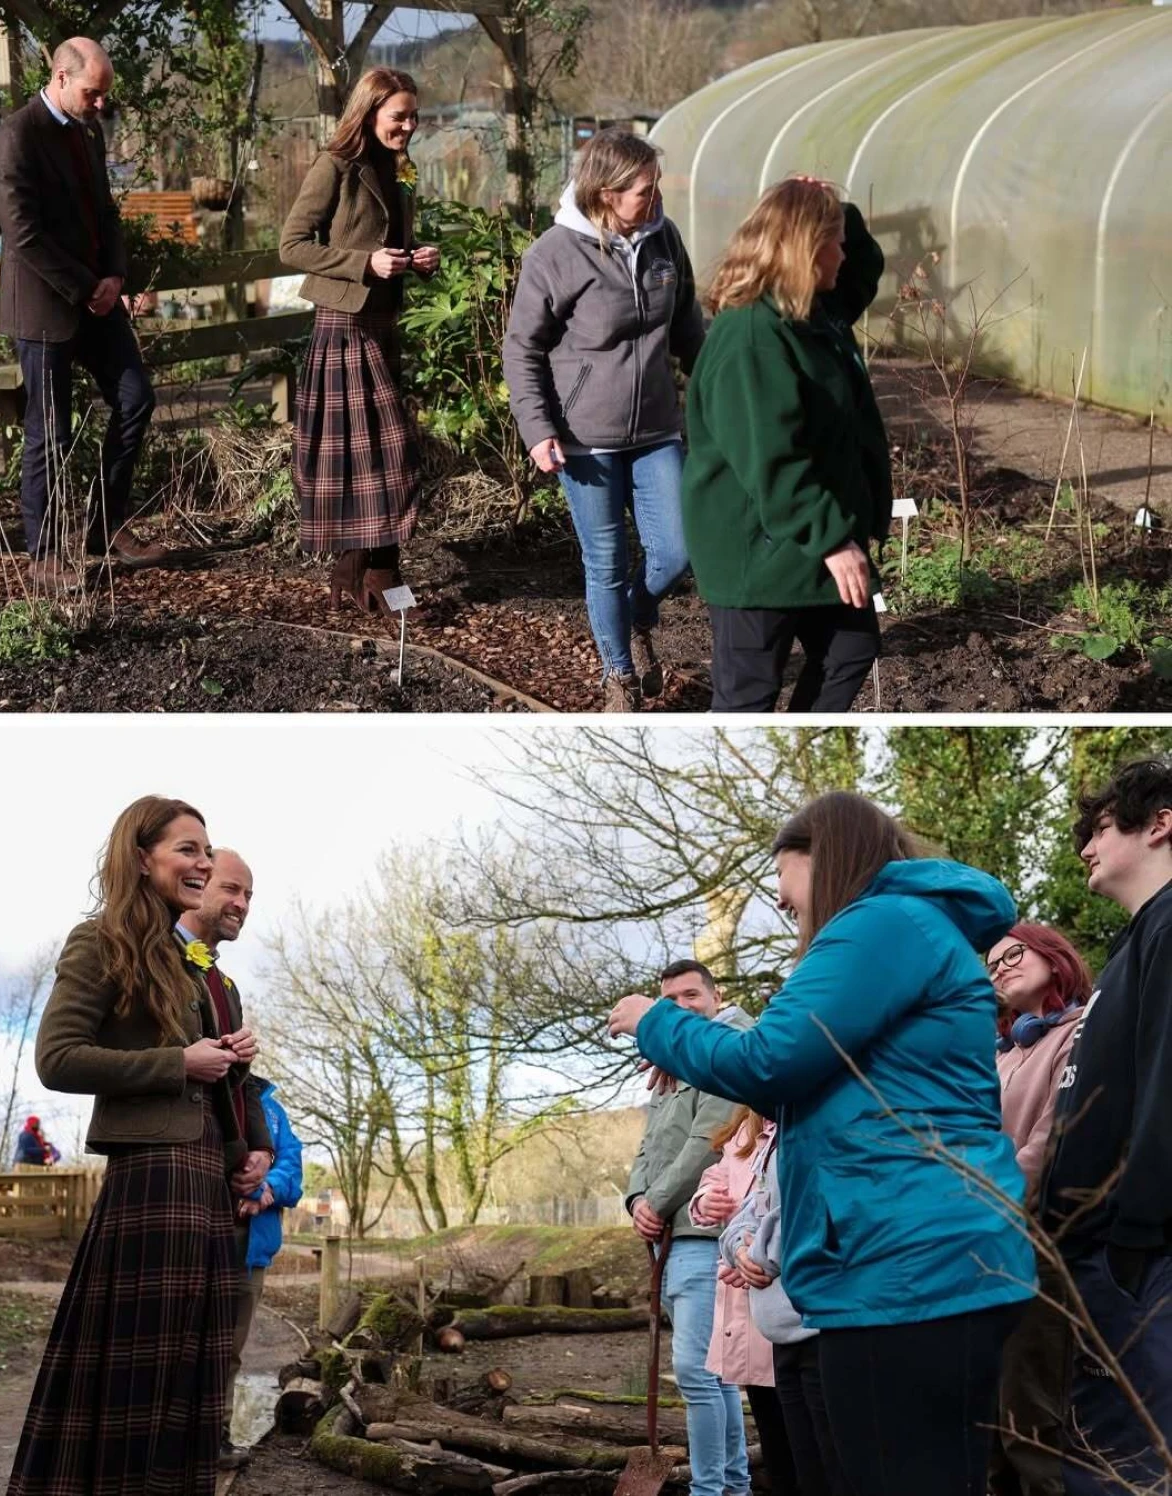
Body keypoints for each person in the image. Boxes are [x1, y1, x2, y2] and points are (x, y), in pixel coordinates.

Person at [609, 791, 1035, 1496]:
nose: (781, 900)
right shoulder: (908, 929)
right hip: (915, 1259)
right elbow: (788, 1087)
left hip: (902, 1265)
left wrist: (655, 1022)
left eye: (784, 877)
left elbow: (770, 1060)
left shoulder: (881, 926)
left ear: (827, 856)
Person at [8, 797, 271, 1496]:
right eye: (189, 850)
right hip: (153, 1183)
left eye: (207, 853)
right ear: (141, 857)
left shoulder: (192, 962)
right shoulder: (99, 941)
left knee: (191, 1378)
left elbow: (220, 1079)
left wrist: (250, 1144)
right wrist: (177, 1064)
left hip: (207, 1186)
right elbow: (58, 1058)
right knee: (136, 1377)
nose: (205, 864)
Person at [504, 127, 705, 712]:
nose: (656, 197)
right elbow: (522, 349)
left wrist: (720, 391)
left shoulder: (664, 238)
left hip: (657, 429)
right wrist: (538, 430)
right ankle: (619, 675)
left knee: (678, 550)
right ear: (605, 193)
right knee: (606, 561)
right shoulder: (555, 254)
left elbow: (689, 329)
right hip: (583, 437)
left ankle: (639, 613)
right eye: (644, 189)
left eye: (656, 186)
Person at [680, 178, 892, 712]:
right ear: (805, 247)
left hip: (806, 537)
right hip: (759, 551)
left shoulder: (813, 314)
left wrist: (838, 207)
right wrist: (834, 540)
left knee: (852, 647)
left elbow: (863, 267)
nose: (844, 253)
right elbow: (773, 461)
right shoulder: (752, 337)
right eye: (834, 240)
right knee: (748, 695)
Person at [1038, 759, 1172, 1496]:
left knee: (1126, 1469)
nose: (1084, 847)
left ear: (1161, 823)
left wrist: (1134, 1238)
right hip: (1104, 1255)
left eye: (1097, 828)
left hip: (1141, 1257)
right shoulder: (1135, 942)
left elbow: (1165, 1085)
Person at [0, 38, 163, 591]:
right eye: (94, 93)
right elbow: (24, 236)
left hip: (97, 299)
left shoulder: (88, 131)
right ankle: (42, 556)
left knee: (136, 398)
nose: (100, 105)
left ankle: (105, 526)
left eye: (104, 95)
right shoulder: (17, 136)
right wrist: (89, 286)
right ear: (61, 78)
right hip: (45, 306)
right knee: (50, 432)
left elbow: (107, 213)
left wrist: (114, 276)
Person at [280, 66, 439, 619]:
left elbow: (391, 240)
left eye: (414, 116)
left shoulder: (400, 169)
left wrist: (417, 257)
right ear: (370, 113)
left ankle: (352, 577)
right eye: (400, 116)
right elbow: (292, 245)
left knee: (373, 457)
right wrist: (362, 264)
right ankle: (383, 577)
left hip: (383, 323)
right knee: (388, 454)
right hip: (343, 324)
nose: (410, 126)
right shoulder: (336, 165)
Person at [625, 960, 754, 1496]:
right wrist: (636, 1198)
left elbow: (709, 1139)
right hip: (673, 1236)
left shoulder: (721, 1049)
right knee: (714, 1373)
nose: (681, 1006)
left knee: (699, 1375)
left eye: (691, 995)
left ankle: (711, 1490)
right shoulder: (672, 1067)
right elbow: (648, 1145)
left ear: (715, 995)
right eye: (669, 1000)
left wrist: (656, 1201)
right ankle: (731, 1485)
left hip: (702, 1235)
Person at [177, 846, 276, 1470]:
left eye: (249, 897)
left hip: (228, 1179)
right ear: (198, 883)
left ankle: (204, 1442)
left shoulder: (225, 983)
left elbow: (242, 1083)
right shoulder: (161, 961)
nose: (241, 905)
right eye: (232, 890)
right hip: (177, 1170)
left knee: (219, 1335)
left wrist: (261, 1150)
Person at [987, 924, 1091, 1496]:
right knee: (990, 1430)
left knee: (1032, 1427)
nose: (1000, 967)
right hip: (983, 1245)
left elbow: (1051, 1140)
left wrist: (984, 1206)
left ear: (1053, 955)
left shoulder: (1081, 1034)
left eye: (1013, 953)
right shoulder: (1002, 1053)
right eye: (992, 964)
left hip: (1033, 1247)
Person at [716, 1121, 851, 1496]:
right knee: (800, 1465)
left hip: (818, 1328)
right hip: (780, 1331)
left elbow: (800, 1216)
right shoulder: (770, 1146)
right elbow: (743, 1218)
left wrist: (754, 1253)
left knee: (832, 1466)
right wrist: (740, 1250)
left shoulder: (814, 1133)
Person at [689, 1108, 801, 1496]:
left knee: (803, 1435)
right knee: (772, 1431)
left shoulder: (799, 1126)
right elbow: (720, 1178)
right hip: (750, 1301)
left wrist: (756, 1256)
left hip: (787, 1299)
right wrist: (705, 1201)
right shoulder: (743, 1132)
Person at [224, 1077, 303, 1470]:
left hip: (250, 1244)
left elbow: (292, 1164)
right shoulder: (199, 1089)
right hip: (201, 1233)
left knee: (229, 1348)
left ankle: (216, 1436)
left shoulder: (270, 1108)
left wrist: (268, 1186)